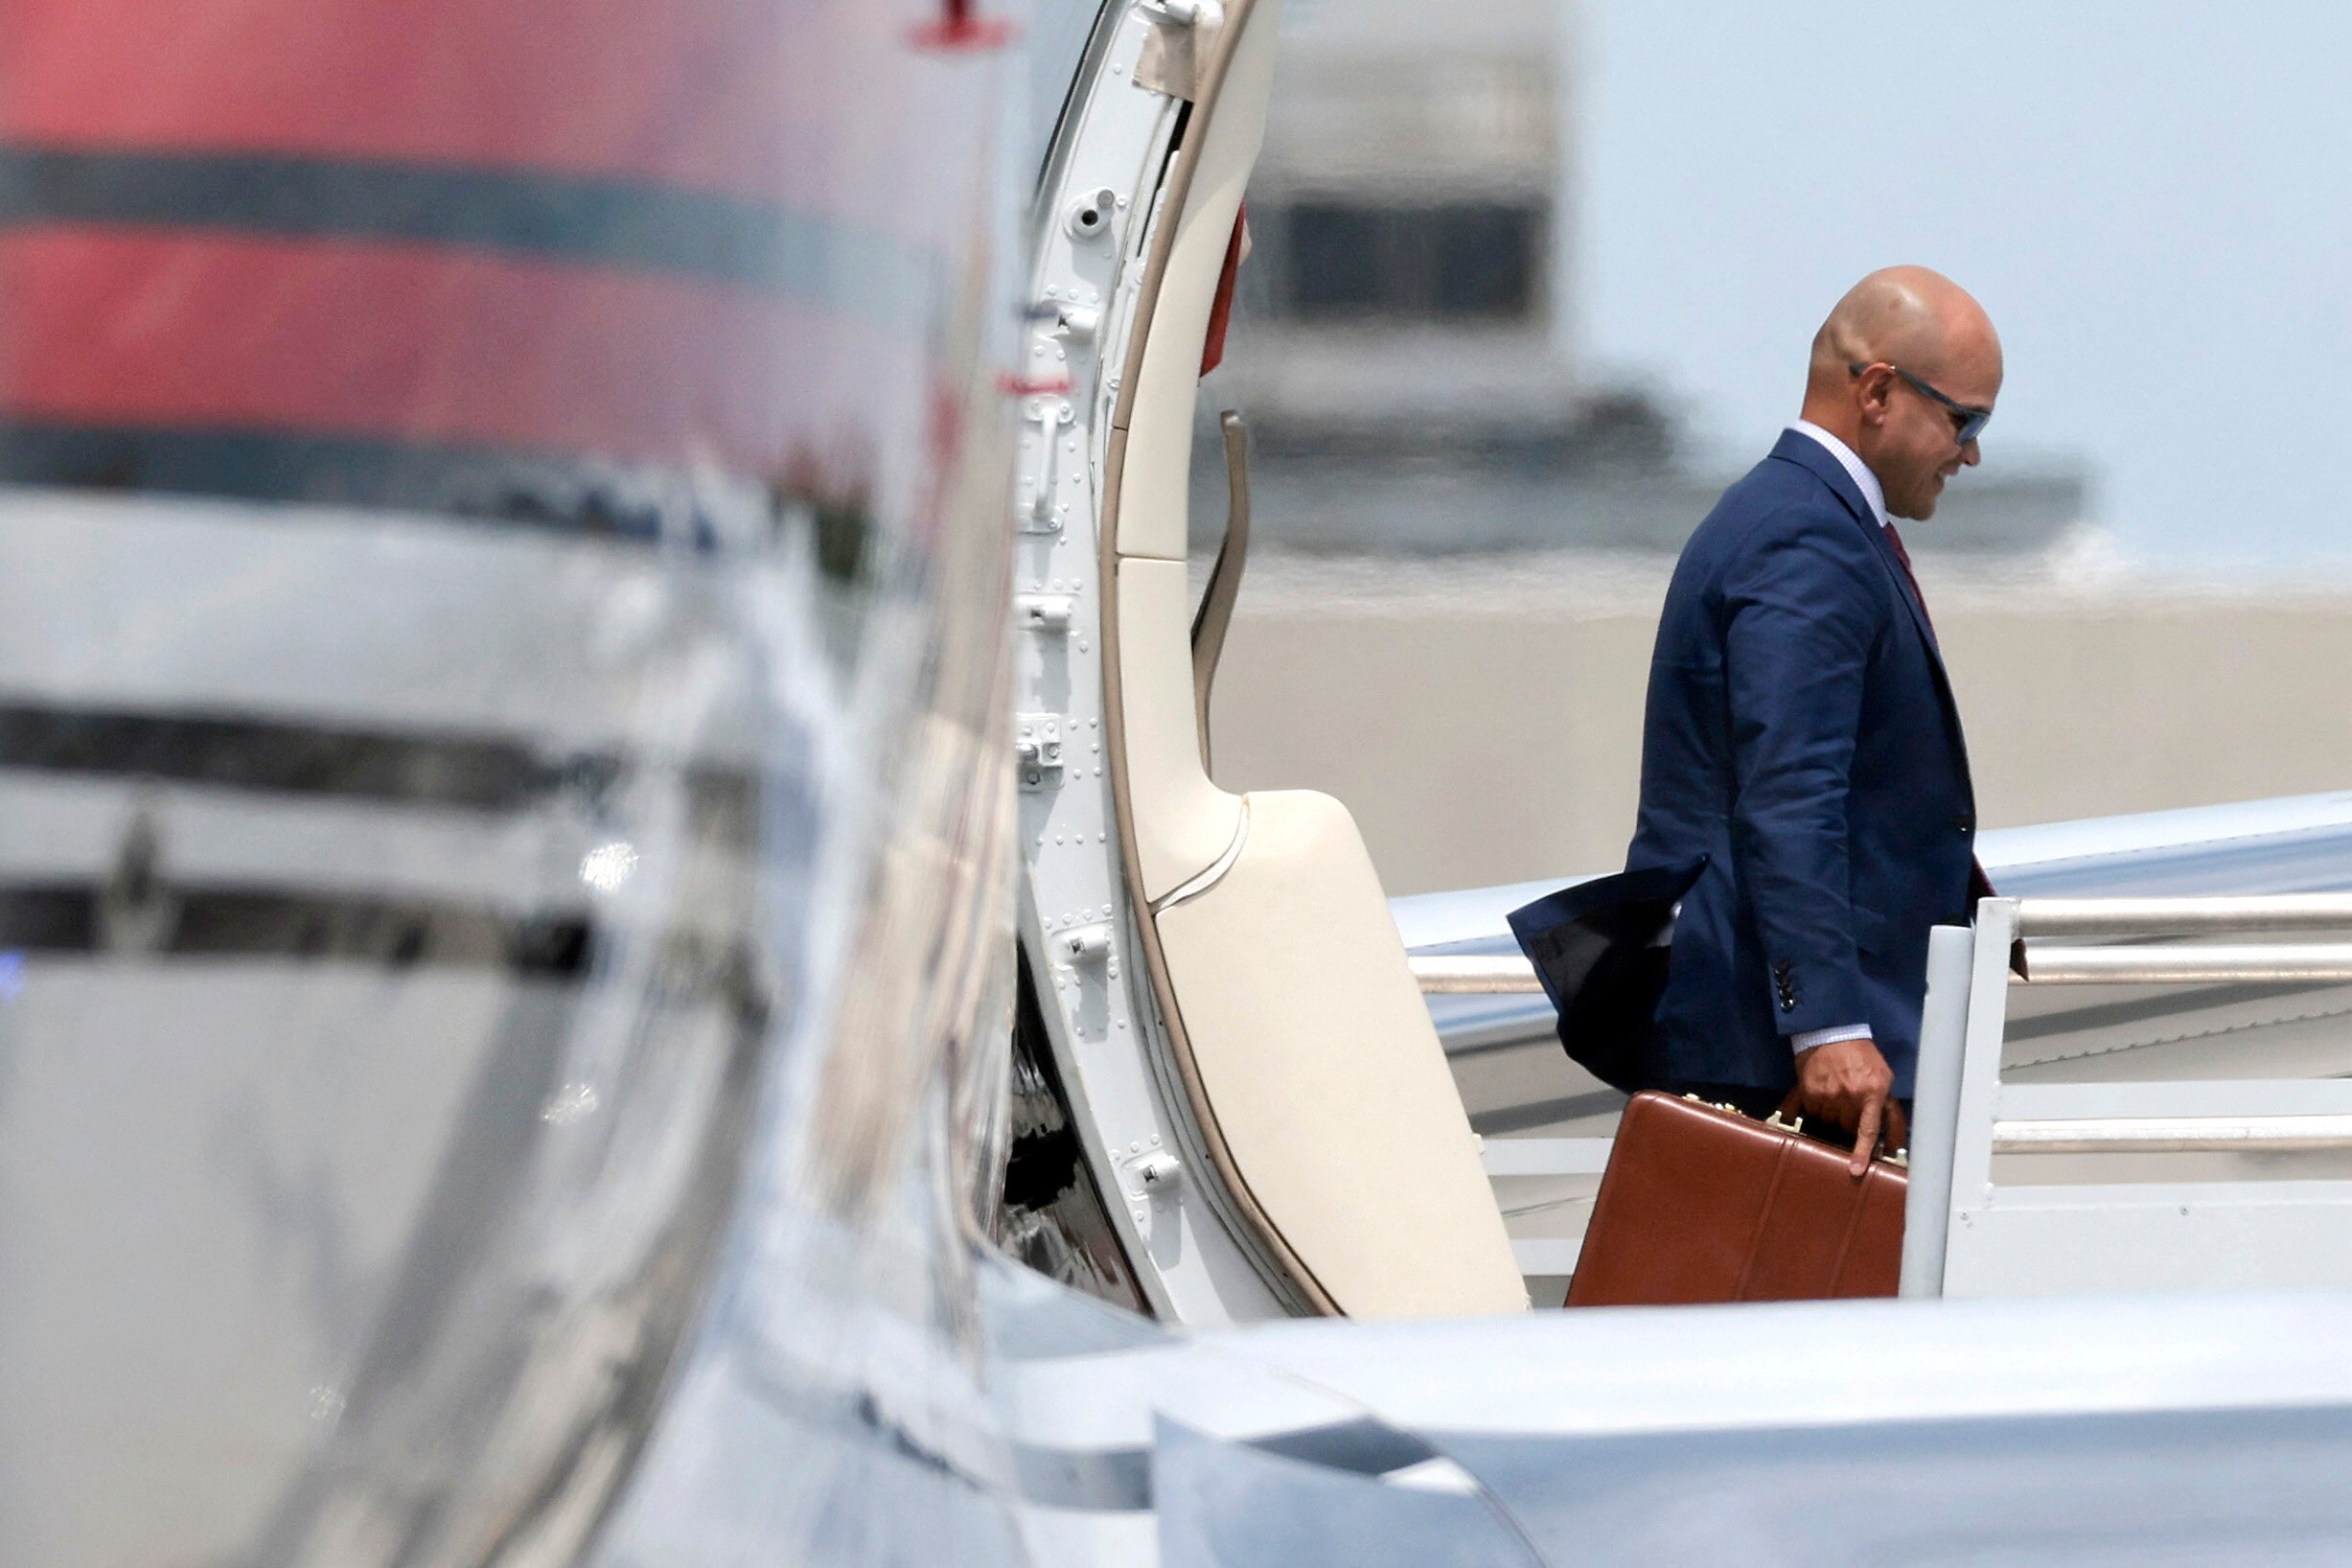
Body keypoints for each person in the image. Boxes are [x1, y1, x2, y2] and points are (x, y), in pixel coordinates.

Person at [1624, 265, 2006, 1173]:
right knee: (1788, 1308)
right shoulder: (1808, 535)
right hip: (1776, 1060)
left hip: (1782, 1042)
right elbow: (1790, 791)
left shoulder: (1804, 518)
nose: (1972, 453)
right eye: (1966, 421)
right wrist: (1828, 1026)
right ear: (1878, 390)